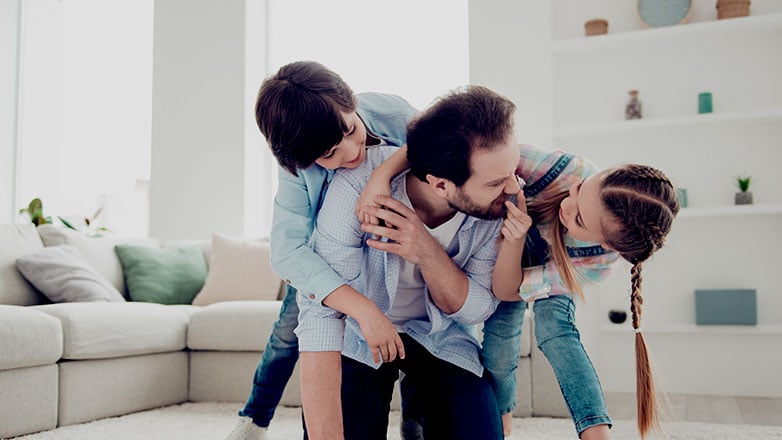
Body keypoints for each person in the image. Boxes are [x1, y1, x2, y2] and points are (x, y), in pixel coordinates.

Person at [297, 85, 523, 439]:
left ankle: (417, 403)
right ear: (441, 185)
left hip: (441, 337)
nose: (514, 187)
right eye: (496, 182)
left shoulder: (496, 211)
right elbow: (320, 306)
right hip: (361, 335)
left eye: (512, 171)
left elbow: (476, 308)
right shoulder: (357, 184)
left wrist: (426, 250)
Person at [225, 60, 418, 440]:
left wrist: (380, 174)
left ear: (351, 102)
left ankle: (414, 421)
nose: (350, 153)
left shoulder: (393, 113)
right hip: (328, 265)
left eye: (350, 130)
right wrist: (360, 307)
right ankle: (255, 417)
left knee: (420, 333)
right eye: (330, 153)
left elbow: (445, 142)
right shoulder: (296, 169)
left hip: (394, 253)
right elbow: (286, 250)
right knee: (286, 334)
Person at [487, 143, 679, 439]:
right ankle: (502, 409)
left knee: (555, 328)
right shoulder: (568, 169)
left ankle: (595, 430)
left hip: (540, 273)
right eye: (579, 190)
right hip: (503, 258)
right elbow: (486, 150)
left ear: (608, 246)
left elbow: (510, 290)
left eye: (578, 220)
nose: (567, 206)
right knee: (500, 342)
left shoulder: (597, 262)